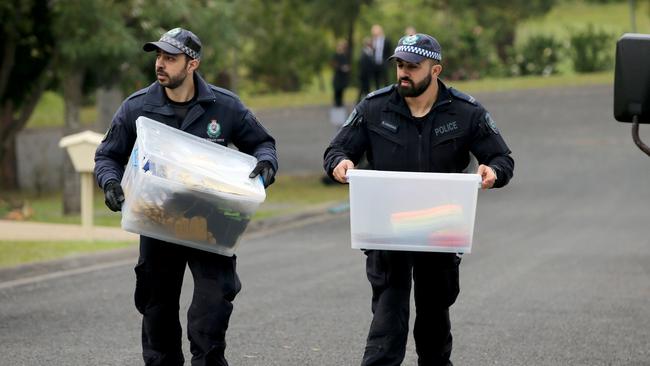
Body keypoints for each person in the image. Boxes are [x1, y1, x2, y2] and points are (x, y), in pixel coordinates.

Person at [323, 33, 514, 365]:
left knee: (433, 324)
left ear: (435, 70)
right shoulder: (373, 107)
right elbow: (336, 150)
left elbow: (502, 159)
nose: (403, 73)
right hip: (388, 231)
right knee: (387, 321)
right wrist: (340, 164)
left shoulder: (466, 111)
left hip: (441, 230)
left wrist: (492, 172)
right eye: (399, 65)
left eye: (412, 66)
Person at [95, 27, 278, 366]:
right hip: (156, 219)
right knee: (157, 310)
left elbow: (262, 143)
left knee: (211, 311)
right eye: (158, 57)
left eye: (170, 58)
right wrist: (109, 182)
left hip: (210, 222)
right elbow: (107, 156)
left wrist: (266, 165)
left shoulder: (225, 106)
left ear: (192, 63)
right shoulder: (137, 107)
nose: (160, 64)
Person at [370, 24, 392, 90]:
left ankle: (387, 93)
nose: (374, 32)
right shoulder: (372, 41)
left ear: (380, 31)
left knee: (386, 80)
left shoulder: (386, 40)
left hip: (384, 63)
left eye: (375, 30)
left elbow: (389, 52)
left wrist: (389, 63)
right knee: (376, 81)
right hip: (375, 64)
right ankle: (378, 94)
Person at [332, 39, 351, 108]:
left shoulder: (344, 55)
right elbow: (335, 65)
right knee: (337, 90)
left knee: (341, 91)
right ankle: (337, 104)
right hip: (338, 76)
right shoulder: (336, 55)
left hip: (342, 77)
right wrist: (342, 68)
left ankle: (339, 103)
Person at [358, 37, 375, 102]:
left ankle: (365, 101)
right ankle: (363, 101)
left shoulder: (369, 52)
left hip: (367, 74)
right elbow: (363, 64)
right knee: (363, 89)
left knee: (365, 89)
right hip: (364, 74)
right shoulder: (364, 52)